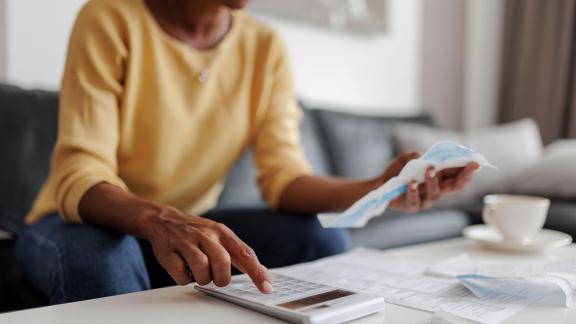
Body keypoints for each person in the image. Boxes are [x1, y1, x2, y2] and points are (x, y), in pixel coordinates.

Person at [15, 0, 479, 305]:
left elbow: (284, 178)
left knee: (323, 240)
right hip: (80, 220)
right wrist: (160, 219)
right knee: (106, 260)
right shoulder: (110, 17)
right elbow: (81, 173)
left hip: (186, 221)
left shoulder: (264, 47)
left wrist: (376, 189)